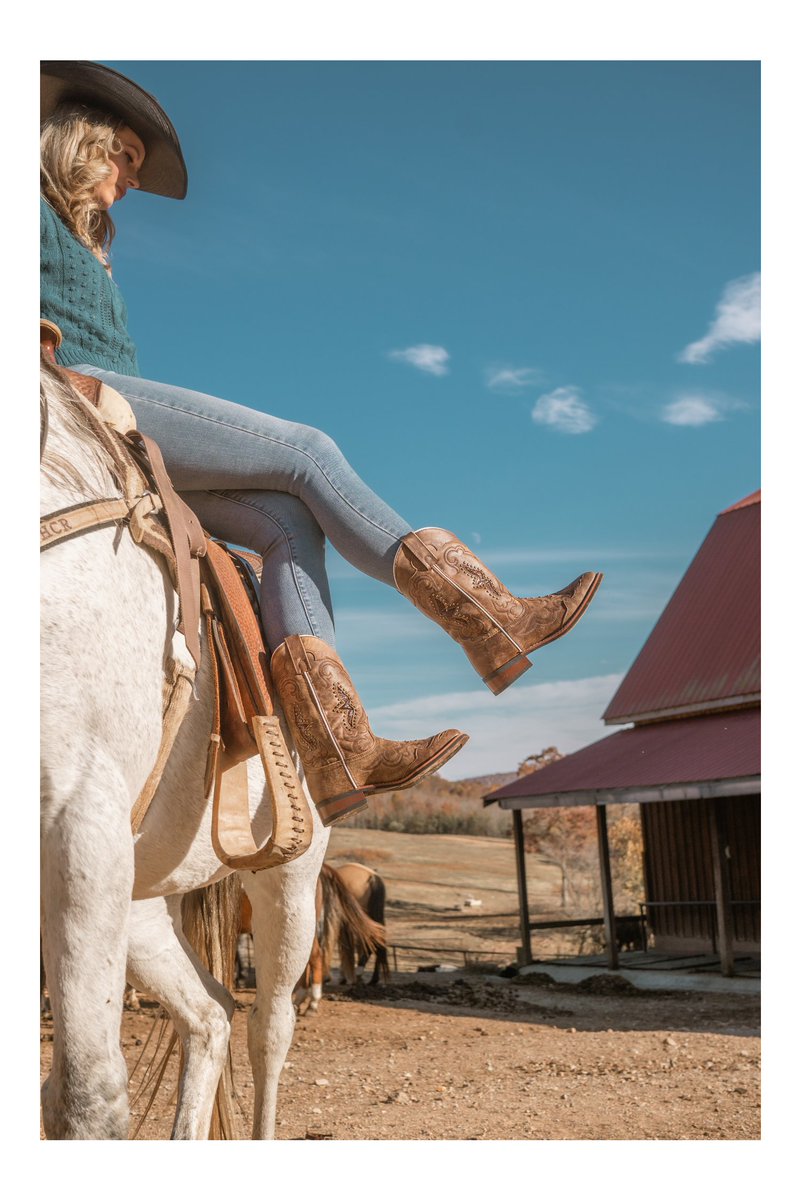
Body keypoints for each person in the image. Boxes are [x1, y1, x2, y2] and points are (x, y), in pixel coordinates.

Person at [40, 61, 602, 826]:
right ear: (84, 142)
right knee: (307, 452)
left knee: (287, 521)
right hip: (79, 403)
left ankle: (337, 743)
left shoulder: (88, 244)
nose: (132, 179)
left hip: (126, 431)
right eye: (126, 158)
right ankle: (487, 616)